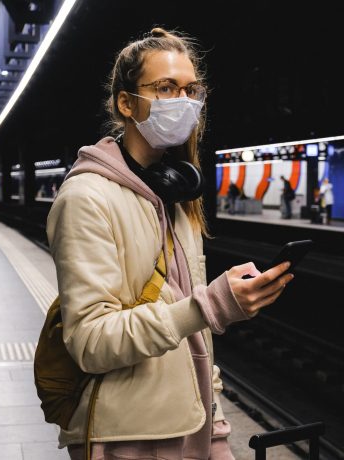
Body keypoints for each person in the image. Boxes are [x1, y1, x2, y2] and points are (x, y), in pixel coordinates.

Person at [46, 28, 295, 460]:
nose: (183, 100)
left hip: (191, 427)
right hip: (126, 437)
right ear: (127, 103)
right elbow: (90, 343)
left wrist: (214, 422)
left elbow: (194, 339)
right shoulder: (86, 199)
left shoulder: (176, 196)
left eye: (190, 89)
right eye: (165, 88)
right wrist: (210, 305)